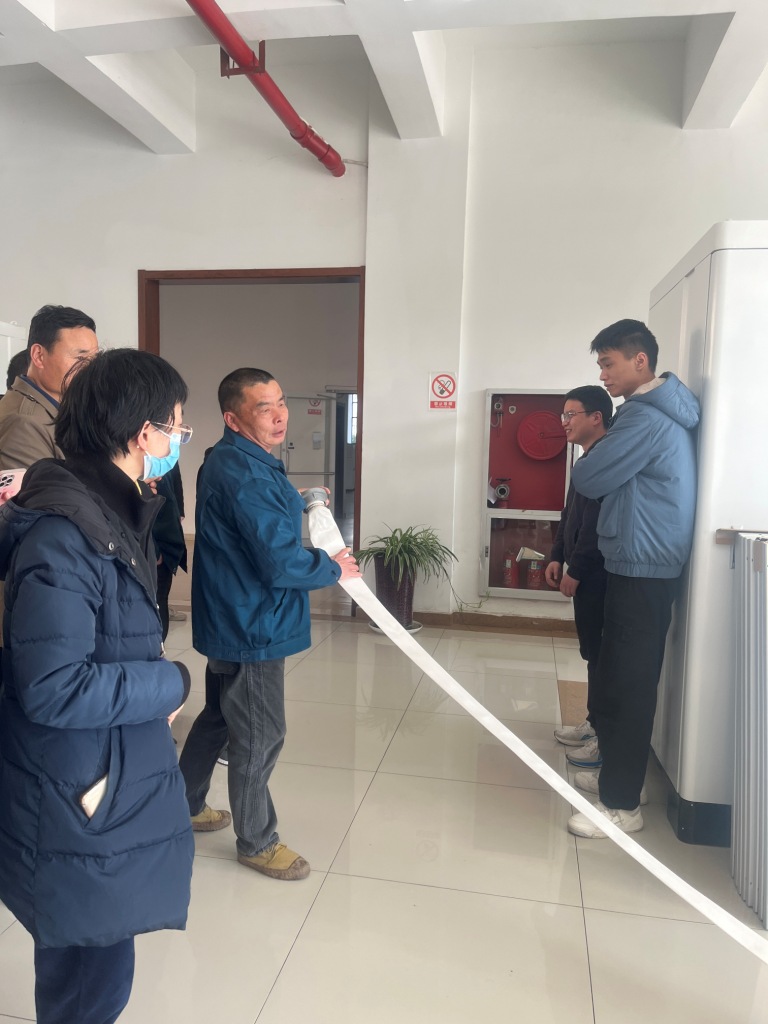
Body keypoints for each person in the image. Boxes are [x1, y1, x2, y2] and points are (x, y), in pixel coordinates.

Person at [0, 348, 195, 1024]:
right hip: (82, 789)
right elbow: (55, 686)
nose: (178, 440)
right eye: (176, 427)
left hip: (99, 771)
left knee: (93, 963)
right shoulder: (68, 533)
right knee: (91, 980)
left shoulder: (108, 510)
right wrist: (168, 683)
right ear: (144, 433)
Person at [179, 367, 360, 880]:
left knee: (219, 717)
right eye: (264, 407)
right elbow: (280, 563)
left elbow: (252, 519)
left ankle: (184, 804)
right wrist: (333, 567)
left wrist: (293, 497)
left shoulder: (229, 459)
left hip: (231, 615)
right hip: (254, 624)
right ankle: (257, 841)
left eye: (280, 402)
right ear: (233, 418)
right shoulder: (249, 474)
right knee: (260, 734)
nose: (279, 415)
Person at [566, 319, 699, 838]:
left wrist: (601, 456)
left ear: (640, 361)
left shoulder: (645, 418)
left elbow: (588, 475)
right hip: (639, 561)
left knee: (630, 685)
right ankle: (627, 784)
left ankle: (622, 806)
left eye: (608, 363)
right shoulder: (650, 413)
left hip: (642, 566)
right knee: (625, 680)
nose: (603, 374)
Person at [546, 385, 612, 752]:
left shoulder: (606, 461)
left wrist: (578, 570)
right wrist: (557, 554)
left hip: (599, 577)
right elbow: (569, 514)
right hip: (583, 571)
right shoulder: (585, 460)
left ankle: (600, 732)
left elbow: (595, 525)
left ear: (596, 417)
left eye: (571, 415)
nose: (565, 422)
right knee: (592, 651)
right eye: (564, 415)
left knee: (600, 654)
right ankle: (593, 722)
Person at [0, 304, 98, 471]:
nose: (90, 369)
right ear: (39, 356)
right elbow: (41, 488)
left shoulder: (64, 405)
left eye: (94, 359)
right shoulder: (23, 423)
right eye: (80, 358)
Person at [152, 464, 188, 641]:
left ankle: (159, 652)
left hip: (166, 541)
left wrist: (179, 511)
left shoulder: (167, 457)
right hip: (150, 546)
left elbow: (175, 480)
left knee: (160, 599)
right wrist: (153, 549)